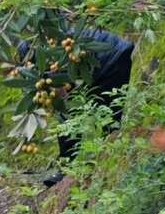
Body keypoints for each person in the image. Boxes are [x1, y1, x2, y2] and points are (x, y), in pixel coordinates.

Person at [17, 28, 133, 186]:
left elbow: (65, 95)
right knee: (99, 114)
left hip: (112, 57)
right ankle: (80, 164)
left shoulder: (49, 53)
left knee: (105, 116)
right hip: (113, 55)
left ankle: (76, 167)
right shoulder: (49, 44)